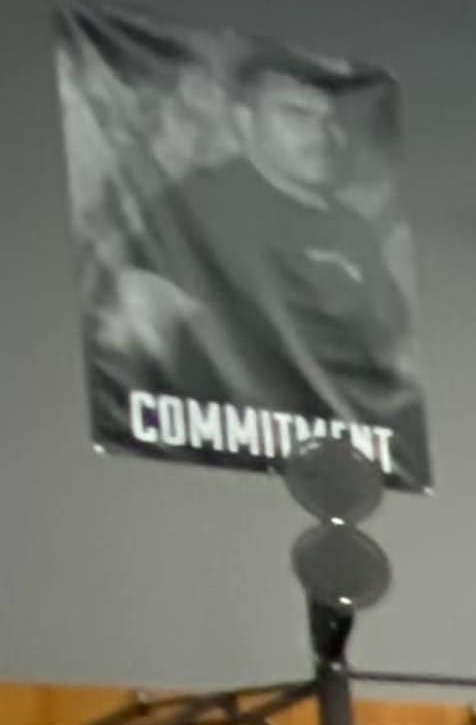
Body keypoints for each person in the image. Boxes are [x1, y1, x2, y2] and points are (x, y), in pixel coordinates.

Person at [102, 55, 424, 475]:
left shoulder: (349, 228)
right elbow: (131, 338)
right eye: (296, 114)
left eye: (332, 119)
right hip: (225, 460)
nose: (322, 134)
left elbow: (391, 353)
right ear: (244, 119)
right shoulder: (197, 206)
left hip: (342, 467)